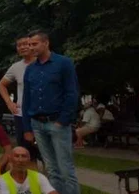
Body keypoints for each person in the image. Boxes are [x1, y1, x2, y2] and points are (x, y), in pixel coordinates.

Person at [22, 30, 79, 194]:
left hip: (57, 122)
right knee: (51, 169)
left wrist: (63, 120)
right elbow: (26, 99)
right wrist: (27, 127)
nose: (31, 48)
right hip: (37, 123)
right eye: (29, 44)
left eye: (34, 44)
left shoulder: (63, 63)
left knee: (65, 169)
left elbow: (72, 93)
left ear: (46, 43)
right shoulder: (30, 69)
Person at [0, 35, 38, 160]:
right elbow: (1, 85)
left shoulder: (42, 63)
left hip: (41, 114)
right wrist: (9, 103)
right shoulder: (16, 67)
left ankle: (47, 179)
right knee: (26, 153)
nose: (22, 47)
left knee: (45, 153)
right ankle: (32, 178)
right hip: (22, 115)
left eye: (25, 43)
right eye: (19, 45)